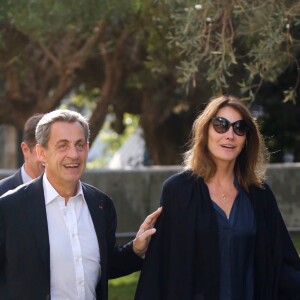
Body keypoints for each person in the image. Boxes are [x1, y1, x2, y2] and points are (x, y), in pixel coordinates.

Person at [134, 95, 300, 300]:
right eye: (221, 125)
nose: (230, 135)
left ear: (246, 139)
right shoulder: (178, 191)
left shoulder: (260, 194)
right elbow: (161, 267)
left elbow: (282, 263)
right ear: (205, 132)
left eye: (240, 127)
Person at [0, 109, 161, 300]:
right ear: (41, 153)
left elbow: (102, 267)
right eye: (62, 146)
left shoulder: (101, 205)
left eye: (79, 145)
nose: (74, 154)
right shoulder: (10, 208)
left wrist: (135, 249)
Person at [0, 113, 45, 196]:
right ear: (25, 150)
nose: (51, 158)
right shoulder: (2, 194)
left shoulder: (72, 192)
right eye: (43, 151)